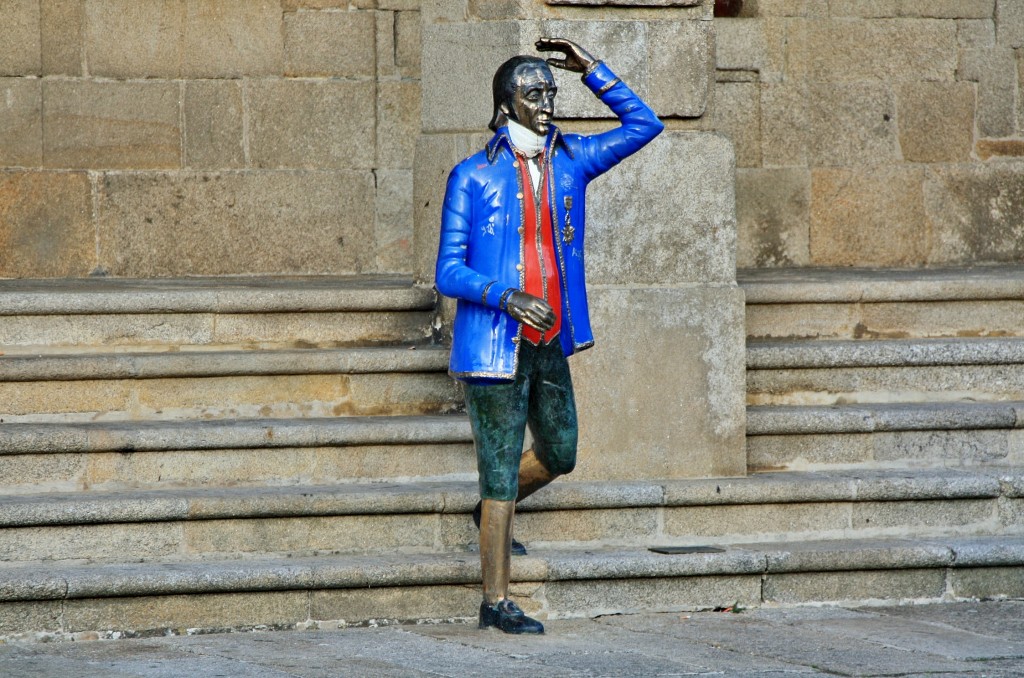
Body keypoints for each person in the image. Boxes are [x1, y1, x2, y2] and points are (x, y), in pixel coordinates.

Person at [434, 37, 663, 634]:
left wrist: (591, 69)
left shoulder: (573, 159)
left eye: (550, 92)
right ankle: (495, 602)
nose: (547, 103)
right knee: (501, 468)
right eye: (533, 93)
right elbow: (448, 270)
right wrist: (506, 296)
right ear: (505, 103)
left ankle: (489, 514)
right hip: (492, 345)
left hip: (550, 340)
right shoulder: (472, 175)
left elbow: (644, 124)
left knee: (560, 452)